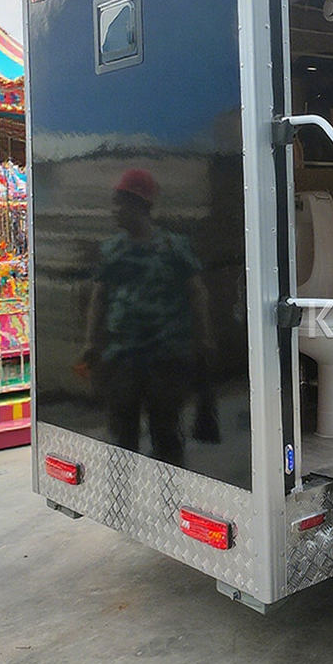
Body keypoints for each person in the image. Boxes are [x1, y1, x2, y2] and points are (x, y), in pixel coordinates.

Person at [80, 168, 215, 467]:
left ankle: (168, 488)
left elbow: (197, 293)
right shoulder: (113, 249)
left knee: (166, 433)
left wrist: (203, 340)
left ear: (139, 205)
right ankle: (124, 489)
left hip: (165, 358)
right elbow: (99, 298)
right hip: (123, 358)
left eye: (120, 203)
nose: (115, 210)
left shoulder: (173, 247)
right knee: (122, 435)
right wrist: (91, 343)